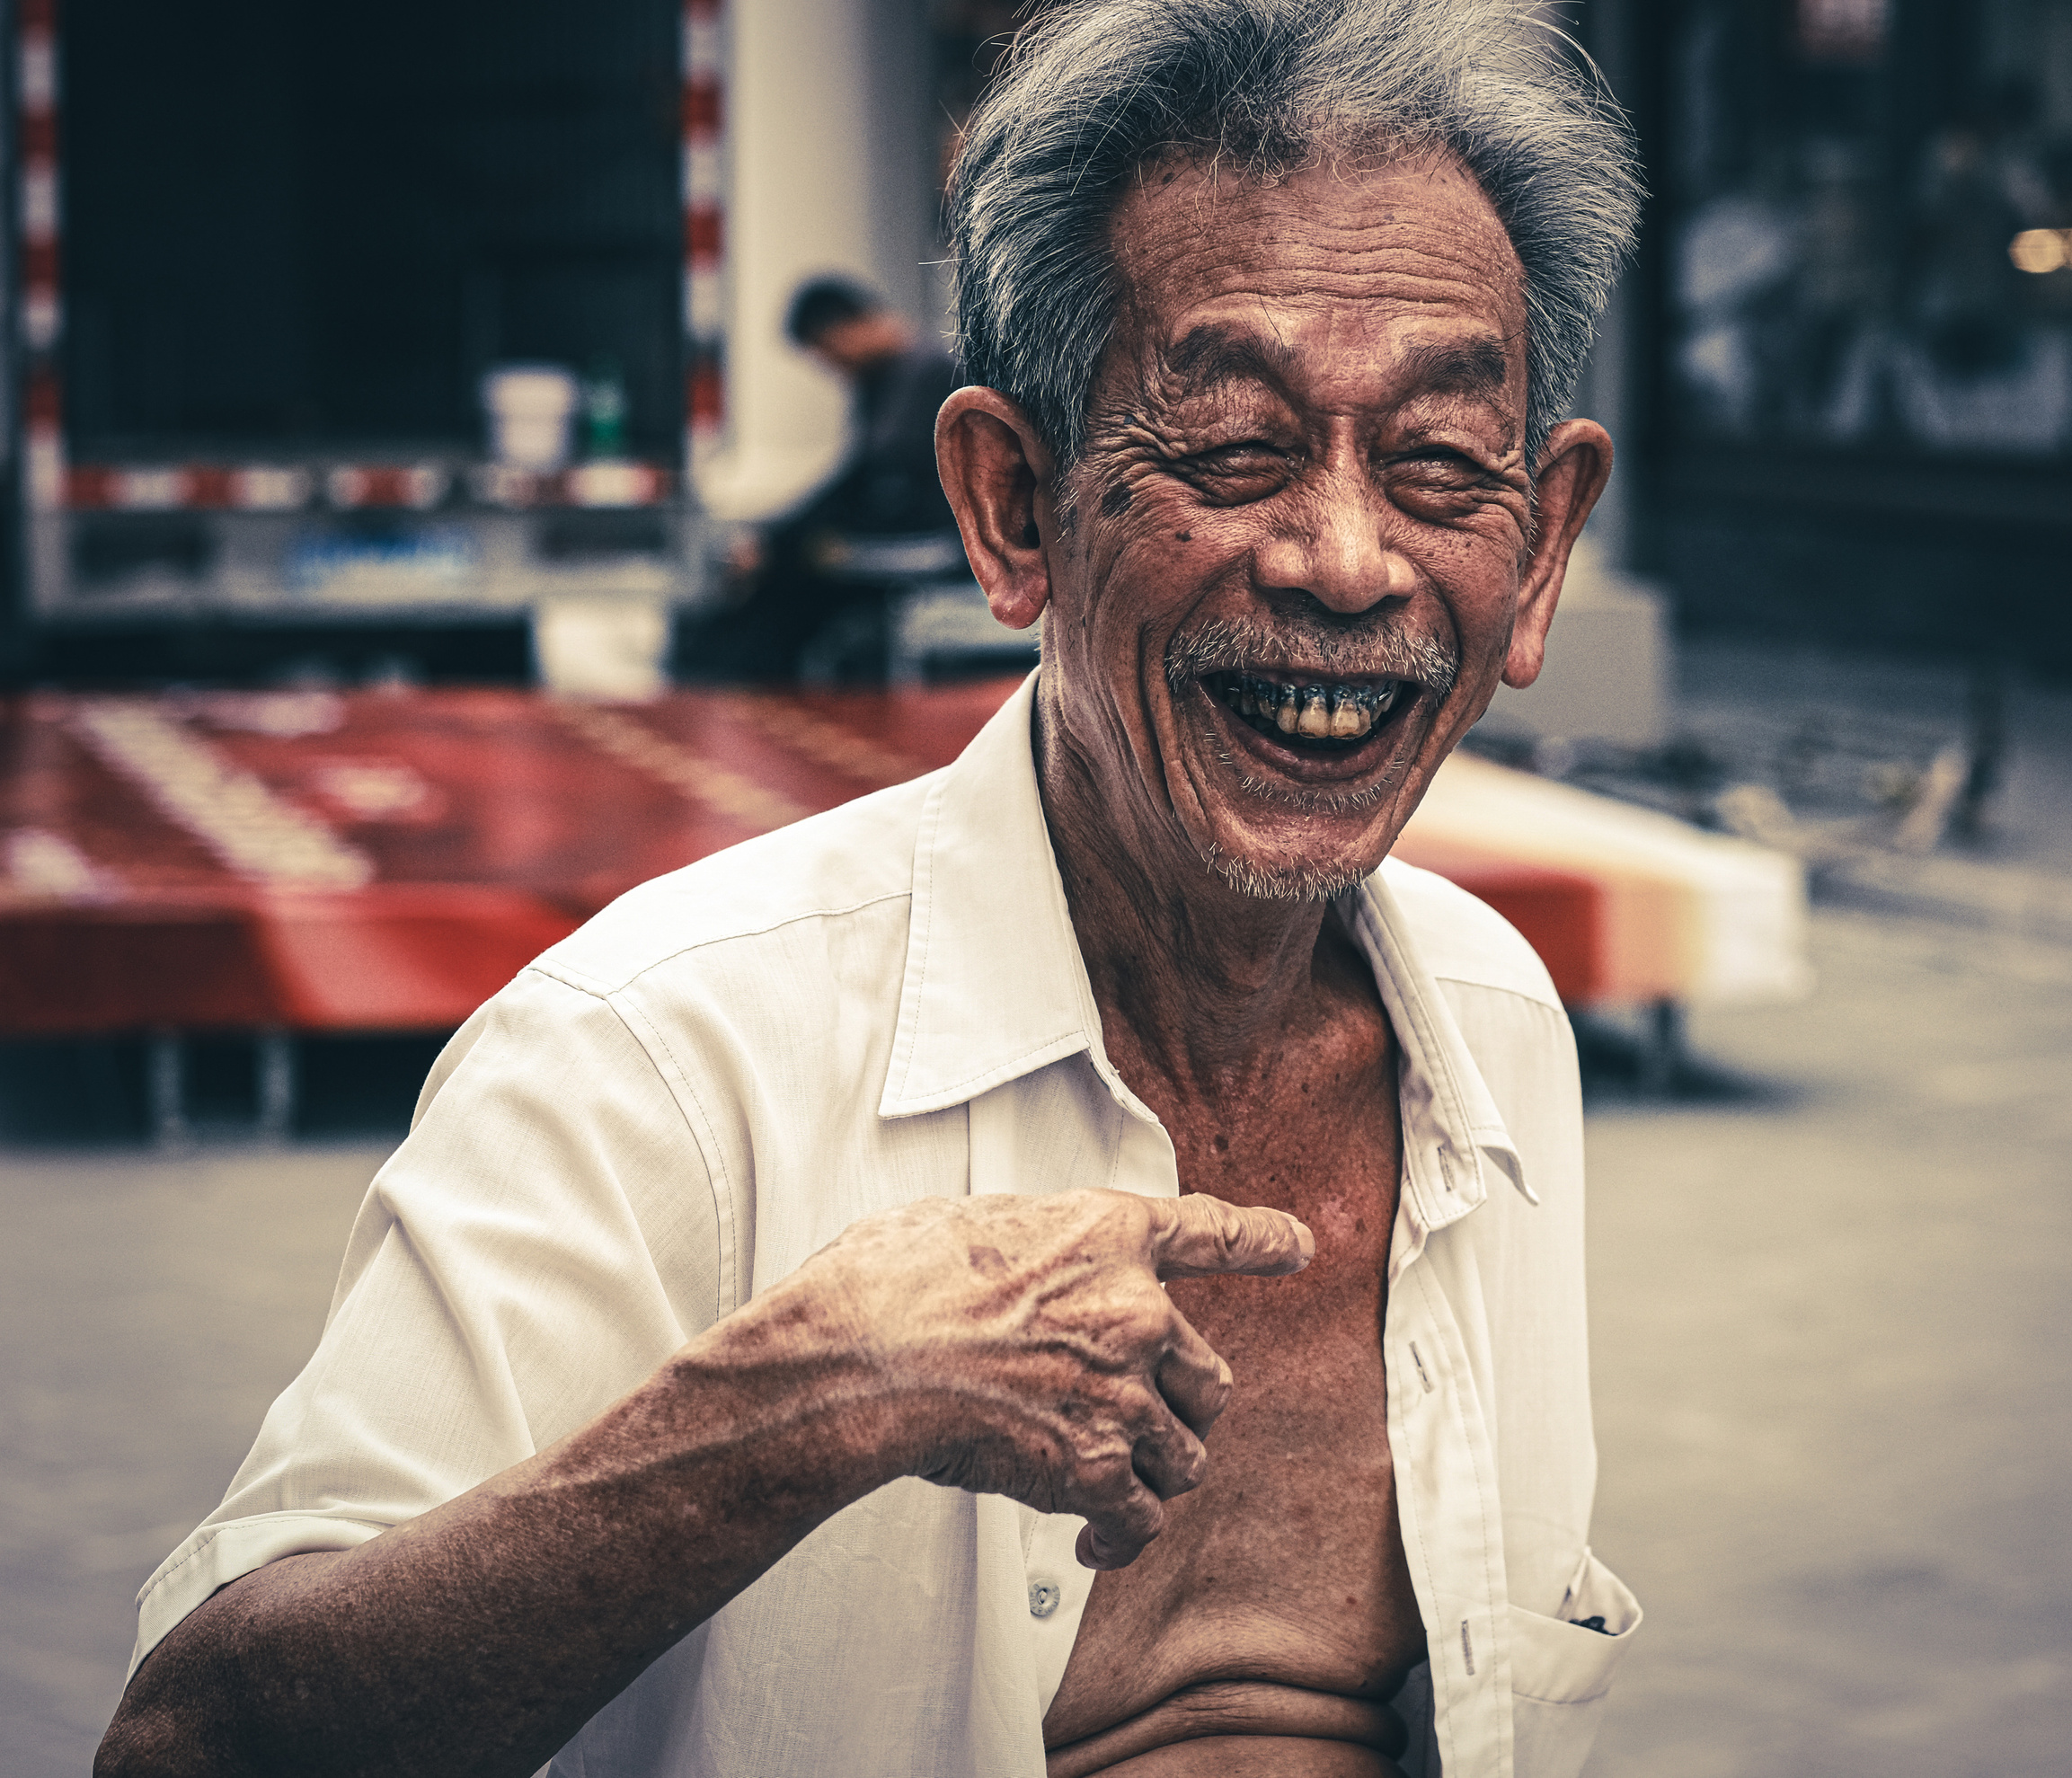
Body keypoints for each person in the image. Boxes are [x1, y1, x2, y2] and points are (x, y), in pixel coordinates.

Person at [96, 1, 1643, 1773]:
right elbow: (187, 1747)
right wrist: (793, 1404)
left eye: (1442, 466)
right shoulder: (660, 1055)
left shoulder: (1496, 1027)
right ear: (1010, 507)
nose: (1345, 558)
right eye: (1231, 448)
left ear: (1537, 554)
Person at [709, 279, 962, 681]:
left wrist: (776, 540)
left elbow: (869, 477)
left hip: (937, 541)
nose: (832, 367)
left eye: (828, 352)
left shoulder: (923, 373)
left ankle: (753, 689)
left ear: (850, 327)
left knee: (791, 576)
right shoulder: (886, 379)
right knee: (787, 569)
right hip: (904, 530)